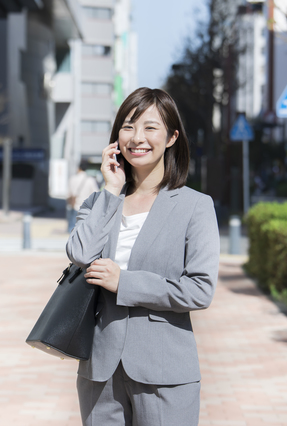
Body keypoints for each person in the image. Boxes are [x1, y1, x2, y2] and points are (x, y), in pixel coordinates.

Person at [66, 87, 220, 426]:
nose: (137, 137)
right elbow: (79, 253)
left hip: (165, 372)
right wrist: (110, 190)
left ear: (171, 137)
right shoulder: (98, 203)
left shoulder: (195, 207)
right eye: (128, 126)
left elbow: (199, 290)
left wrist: (125, 282)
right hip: (100, 369)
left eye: (150, 127)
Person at [67, 160, 99, 232]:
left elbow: (68, 194)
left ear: (78, 168)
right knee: (84, 231)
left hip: (74, 206)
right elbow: (96, 194)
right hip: (86, 208)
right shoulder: (90, 180)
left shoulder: (72, 179)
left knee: (71, 230)